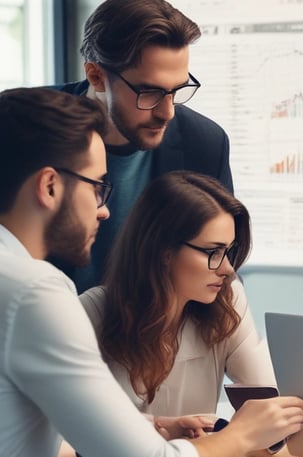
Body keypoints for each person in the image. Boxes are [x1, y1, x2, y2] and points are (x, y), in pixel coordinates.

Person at [0, 87, 303, 457]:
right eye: (99, 187)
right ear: (49, 186)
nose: (105, 208)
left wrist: (155, 428)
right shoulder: (35, 292)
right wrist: (241, 432)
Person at [55, 0, 233, 292]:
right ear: (96, 76)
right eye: (149, 92)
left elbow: (216, 262)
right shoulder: (22, 126)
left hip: (155, 332)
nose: (167, 112)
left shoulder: (206, 144)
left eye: (176, 90)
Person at [79, 170, 274, 432]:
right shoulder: (90, 313)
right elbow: (70, 428)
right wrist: (161, 428)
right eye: (213, 251)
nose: (228, 268)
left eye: (229, 251)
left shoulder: (228, 300)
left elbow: (268, 407)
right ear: (163, 251)